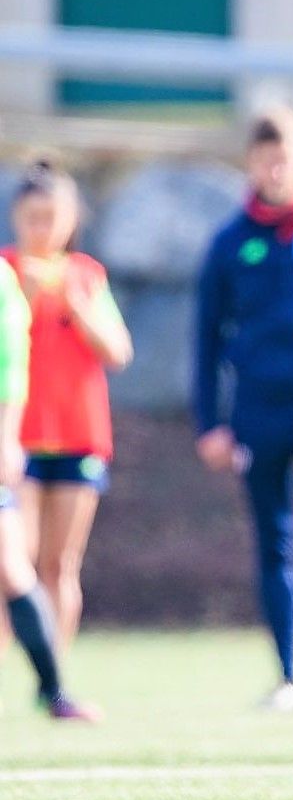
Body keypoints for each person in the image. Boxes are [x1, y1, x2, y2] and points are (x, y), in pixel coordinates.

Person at [195, 107, 293, 711]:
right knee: (275, 540)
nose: (277, 167)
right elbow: (206, 338)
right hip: (259, 412)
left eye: (287, 155)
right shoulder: (230, 243)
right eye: (266, 157)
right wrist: (210, 422)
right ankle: (289, 675)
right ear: (251, 163)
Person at [1, 160, 132, 654]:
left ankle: (55, 671)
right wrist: (27, 300)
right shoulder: (6, 275)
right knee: (17, 559)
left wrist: (78, 307)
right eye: (33, 217)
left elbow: (118, 352)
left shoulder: (86, 276)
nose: (42, 228)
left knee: (62, 563)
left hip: (79, 435)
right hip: (19, 439)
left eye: (52, 217)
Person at [0, 253, 100, 722]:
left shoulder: (8, 279)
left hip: (60, 445)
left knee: (24, 568)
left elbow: (10, 364)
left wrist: (5, 434)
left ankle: (54, 689)